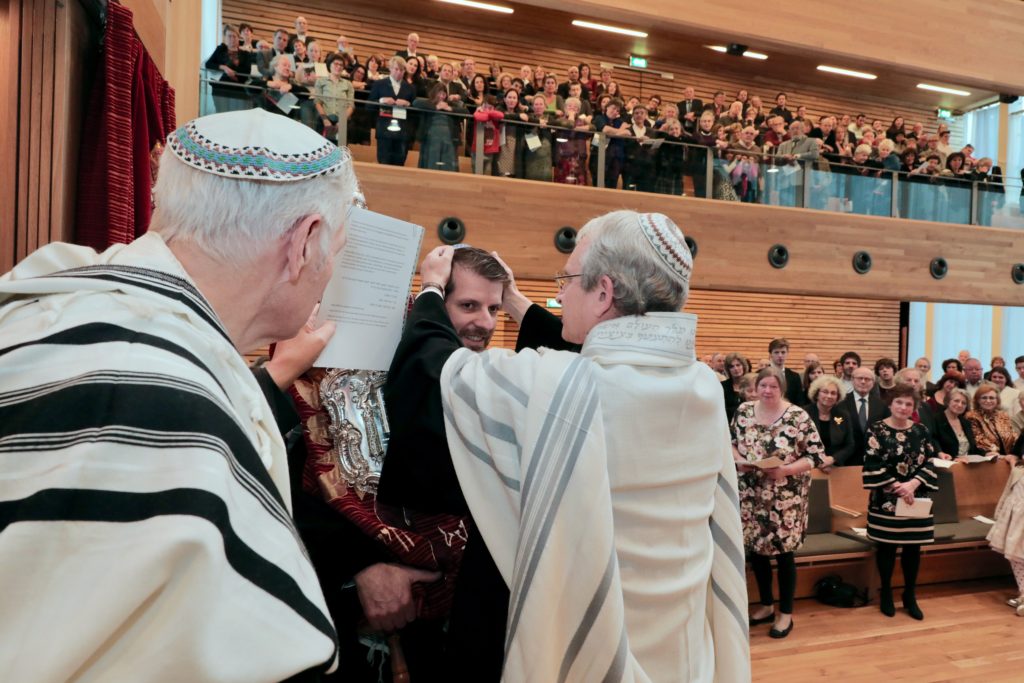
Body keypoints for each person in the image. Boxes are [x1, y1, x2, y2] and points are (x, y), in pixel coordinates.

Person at [0, 109, 358, 681]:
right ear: (304, 242)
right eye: (336, 250)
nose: (329, 270)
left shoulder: (53, 303)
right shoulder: (177, 413)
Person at [379, 211, 750, 681]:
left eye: (567, 278)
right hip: (679, 646)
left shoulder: (562, 389)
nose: (557, 294)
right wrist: (511, 298)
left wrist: (431, 290)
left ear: (604, 292)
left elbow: (431, 378)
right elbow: (583, 353)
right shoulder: (703, 385)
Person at [733, 367, 826, 638]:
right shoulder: (744, 411)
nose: (767, 391)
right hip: (751, 494)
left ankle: (786, 614)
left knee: (783, 554)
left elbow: (816, 456)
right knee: (756, 551)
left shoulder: (798, 416)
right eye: (763, 385)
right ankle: (765, 606)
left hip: (785, 497)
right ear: (756, 386)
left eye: (773, 386)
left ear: (782, 388)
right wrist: (740, 461)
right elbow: (732, 443)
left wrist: (785, 470)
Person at [863, 383, 939, 620]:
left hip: (916, 498)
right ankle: (886, 592)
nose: (903, 407)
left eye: (908, 404)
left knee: (913, 549)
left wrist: (913, 484)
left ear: (914, 407)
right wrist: (898, 487)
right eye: (899, 402)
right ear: (890, 404)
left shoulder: (921, 430)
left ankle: (909, 594)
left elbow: (930, 461)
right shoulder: (875, 430)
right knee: (886, 547)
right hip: (885, 498)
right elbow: (872, 464)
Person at [369, 56, 416, 166]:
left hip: (402, 133)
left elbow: (415, 112)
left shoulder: (410, 88)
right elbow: (369, 106)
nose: (399, 72)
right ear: (390, 68)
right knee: (383, 163)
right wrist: (381, 100)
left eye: (402, 70)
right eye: (396, 69)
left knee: (399, 165)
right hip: (384, 131)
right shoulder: (379, 84)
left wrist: (408, 104)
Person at [414, 82, 465, 173]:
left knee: (448, 164)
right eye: (439, 93)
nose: (441, 96)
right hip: (431, 138)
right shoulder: (428, 103)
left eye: (443, 94)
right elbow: (415, 102)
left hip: (449, 139)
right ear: (434, 93)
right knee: (431, 162)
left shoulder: (451, 105)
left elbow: (466, 111)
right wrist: (435, 107)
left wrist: (450, 109)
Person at [805, 375, 855, 469]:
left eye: (833, 393)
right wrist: (818, 461)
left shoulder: (843, 415)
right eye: (825, 392)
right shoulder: (804, 413)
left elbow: (850, 445)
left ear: (837, 397)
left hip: (835, 467)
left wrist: (833, 459)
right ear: (817, 394)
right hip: (808, 466)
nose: (829, 396)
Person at [844, 365, 890, 466]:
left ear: (873, 383)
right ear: (852, 380)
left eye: (867, 379)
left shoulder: (881, 405)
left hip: (874, 460)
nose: (863, 382)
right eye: (860, 378)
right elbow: (837, 427)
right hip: (847, 460)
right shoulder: (841, 403)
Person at [205, 24, 255, 113]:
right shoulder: (220, 49)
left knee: (236, 116)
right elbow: (209, 64)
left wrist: (233, 72)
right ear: (225, 37)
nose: (232, 38)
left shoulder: (245, 54)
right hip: (220, 88)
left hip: (238, 89)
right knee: (221, 113)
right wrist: (224, 67)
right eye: (229, 36)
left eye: (234, 36)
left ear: (238, 38)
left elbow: (247, 71)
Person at [314, 53, 355, 144]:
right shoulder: (320, 81)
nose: (339, 67)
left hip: (342, 122)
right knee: (322, 150)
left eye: (341, 65)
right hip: (324, 120)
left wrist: (342, 122)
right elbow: (317, 102)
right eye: (336, 64)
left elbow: (351, 105)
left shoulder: (348, 84)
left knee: (340, 151)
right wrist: (325, 119)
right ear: (330, 65)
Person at [967, 383, 1018, 455]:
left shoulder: (1003, 415)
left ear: (997, 400)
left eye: (991, 398)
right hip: (987, 457)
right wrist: (992, 453)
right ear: (978, 400)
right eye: (984, 398)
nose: (988, 401)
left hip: (1008, 457)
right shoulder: (971, 416)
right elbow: (978, 440)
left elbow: (1013, 436)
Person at [933, 388, 983, 461]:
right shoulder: (936, 419)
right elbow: (933, 442)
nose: (960, 405)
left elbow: (973, 448)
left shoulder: (966, 423)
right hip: (947, 464)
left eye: (964, 403)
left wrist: (987, 454)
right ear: (948, 401)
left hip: (967, 464)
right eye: (956, 401)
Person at [768, 337, 804, 405]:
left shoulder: (795, 377)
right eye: (776, 352)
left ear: (787, 353)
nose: (780, 355)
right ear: (770, 354)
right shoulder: (760, 374)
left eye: (783, 352)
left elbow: (800, 401)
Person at [722, 352, 752, 421]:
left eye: (738, 365)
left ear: (743, 366)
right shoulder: (722, 386)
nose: (735, 368)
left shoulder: (751, 384)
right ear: (728, 370)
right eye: (732, 367)